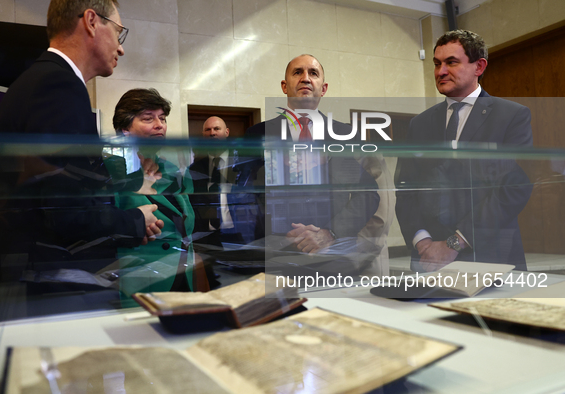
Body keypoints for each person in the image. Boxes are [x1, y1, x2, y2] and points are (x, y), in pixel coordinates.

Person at [0, 0, 163, 320]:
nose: (121, 49)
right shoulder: (57, 86)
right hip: (57, 292)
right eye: (119, 33)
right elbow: (63, 211)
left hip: (44, 286)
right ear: (92, 22)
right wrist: (134, 221)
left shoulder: (41, 81)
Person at [395, 30, 533, 272]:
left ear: (479, 67)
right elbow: (406, 188)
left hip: (491, 259)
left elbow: (513, 189)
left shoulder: (512, 116)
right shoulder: (420, 124)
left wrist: (453, 244)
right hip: (429, 261)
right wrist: (424, 243)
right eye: (437, 64)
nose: (441, 72)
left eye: (451, 62)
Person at [246, 54, 385, 275]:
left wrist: (330, 232)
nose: (305, 78)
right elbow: (246, 196)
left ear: (324, 87)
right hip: (276, 259)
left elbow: (368, 194)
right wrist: (280, 235)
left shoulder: (344, 134)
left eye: (313, 73)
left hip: (334, 259)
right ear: (284, 86)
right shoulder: (257, 134)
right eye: (297, 72)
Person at [110, 88, 209, 296]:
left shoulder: (174, 172)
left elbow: (189, 228)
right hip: (142, 284)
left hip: (185, 279)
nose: (159, 125)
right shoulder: (110, 173)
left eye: (162, 119)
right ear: (124, 129)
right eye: (148, 118)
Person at [189, 116, 264, 249]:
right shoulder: (195, 169)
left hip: (244, 235)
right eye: (208, 130)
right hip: (208, 240)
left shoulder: (244, 163)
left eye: (217, 128)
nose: (212, 133)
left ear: (227, 132)